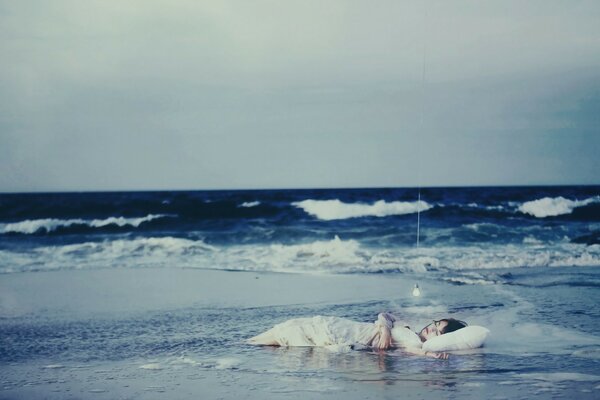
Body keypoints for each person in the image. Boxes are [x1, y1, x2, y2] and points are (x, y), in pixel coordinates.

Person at [248, 312, 468, 359]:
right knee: (276, 336)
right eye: (435, 324)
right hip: (341, 327)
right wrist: (384, 329)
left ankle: (230, 347)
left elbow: (411, 351)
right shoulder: (408, 328)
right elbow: (385, 315)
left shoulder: (415, 344)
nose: (431, 329)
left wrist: (432, 356)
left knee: (276, 339)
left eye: (437, 332)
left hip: (338, 336)